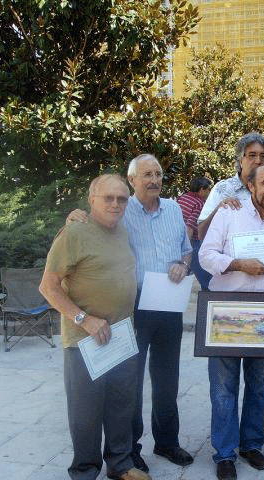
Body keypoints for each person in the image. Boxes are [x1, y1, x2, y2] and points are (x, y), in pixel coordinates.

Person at [66, 156, 193, 473]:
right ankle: (130, 450)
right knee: (130, 383)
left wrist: (183, 264)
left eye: (158, 174)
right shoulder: (121, 209)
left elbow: (186, 250)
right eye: (147, 174)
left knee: (167, 379)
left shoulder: (174, 209)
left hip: (169, 303)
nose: (154, 180)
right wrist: (75, 216)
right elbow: (94, 223)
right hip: (134, 306)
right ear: (132, 179)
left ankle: (167, 442)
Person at [40, 174, 150, 480]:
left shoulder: (123, 231)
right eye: (108, 198)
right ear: (91, 200)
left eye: (122, 198)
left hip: (121, 337)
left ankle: (120, 464)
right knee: (85, 413)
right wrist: (84, 319)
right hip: (84, 340)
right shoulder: (74, 232)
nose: (115, 204)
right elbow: (48, 286)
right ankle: (84, 472)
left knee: (121, 406)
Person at [199, 165, 264, 480]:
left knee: (258, 387)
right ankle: (225, 454)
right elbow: (206, 256)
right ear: (251, 185)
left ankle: (251, 444)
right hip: (226, 312)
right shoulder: (230, 213)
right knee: (223, 388)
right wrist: (239, 264)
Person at [196, 132, 264, 242]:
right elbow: (201, 235)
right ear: (241, 160)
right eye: (252, 155)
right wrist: (218, 210)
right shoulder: (223, 189)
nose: (258, 161)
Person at [177, 176, 213, 290]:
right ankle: (209, 297)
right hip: (191, 243)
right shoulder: (199, 204)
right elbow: (190, 228)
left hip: (176, 240)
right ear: (202, 189)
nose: (210, 193)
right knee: (206, 278)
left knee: (180, 276)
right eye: (208, 190)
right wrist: (185, 249)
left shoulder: (182, 198)